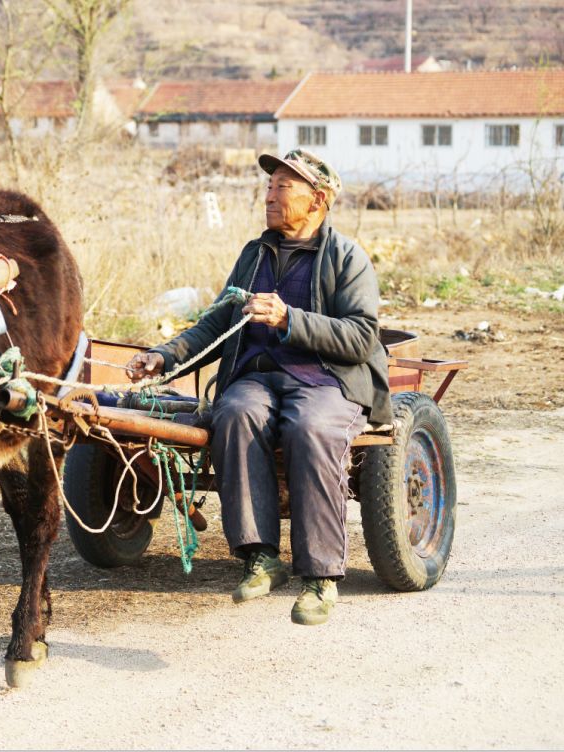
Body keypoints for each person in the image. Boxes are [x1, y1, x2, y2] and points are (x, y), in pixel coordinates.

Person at [125, 149, 390, 625]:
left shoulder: (348, 257)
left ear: (319, 200)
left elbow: (360, 337)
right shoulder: (254, 254)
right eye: (269, 187)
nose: (269, 195)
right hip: (259, 378)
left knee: (310, 429)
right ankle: (260, 557)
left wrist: (291, 319)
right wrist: (164, 355)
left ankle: (320, 577)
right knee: (233, 413)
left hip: (327, 380)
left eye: (283, 187)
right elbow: (217, 324)